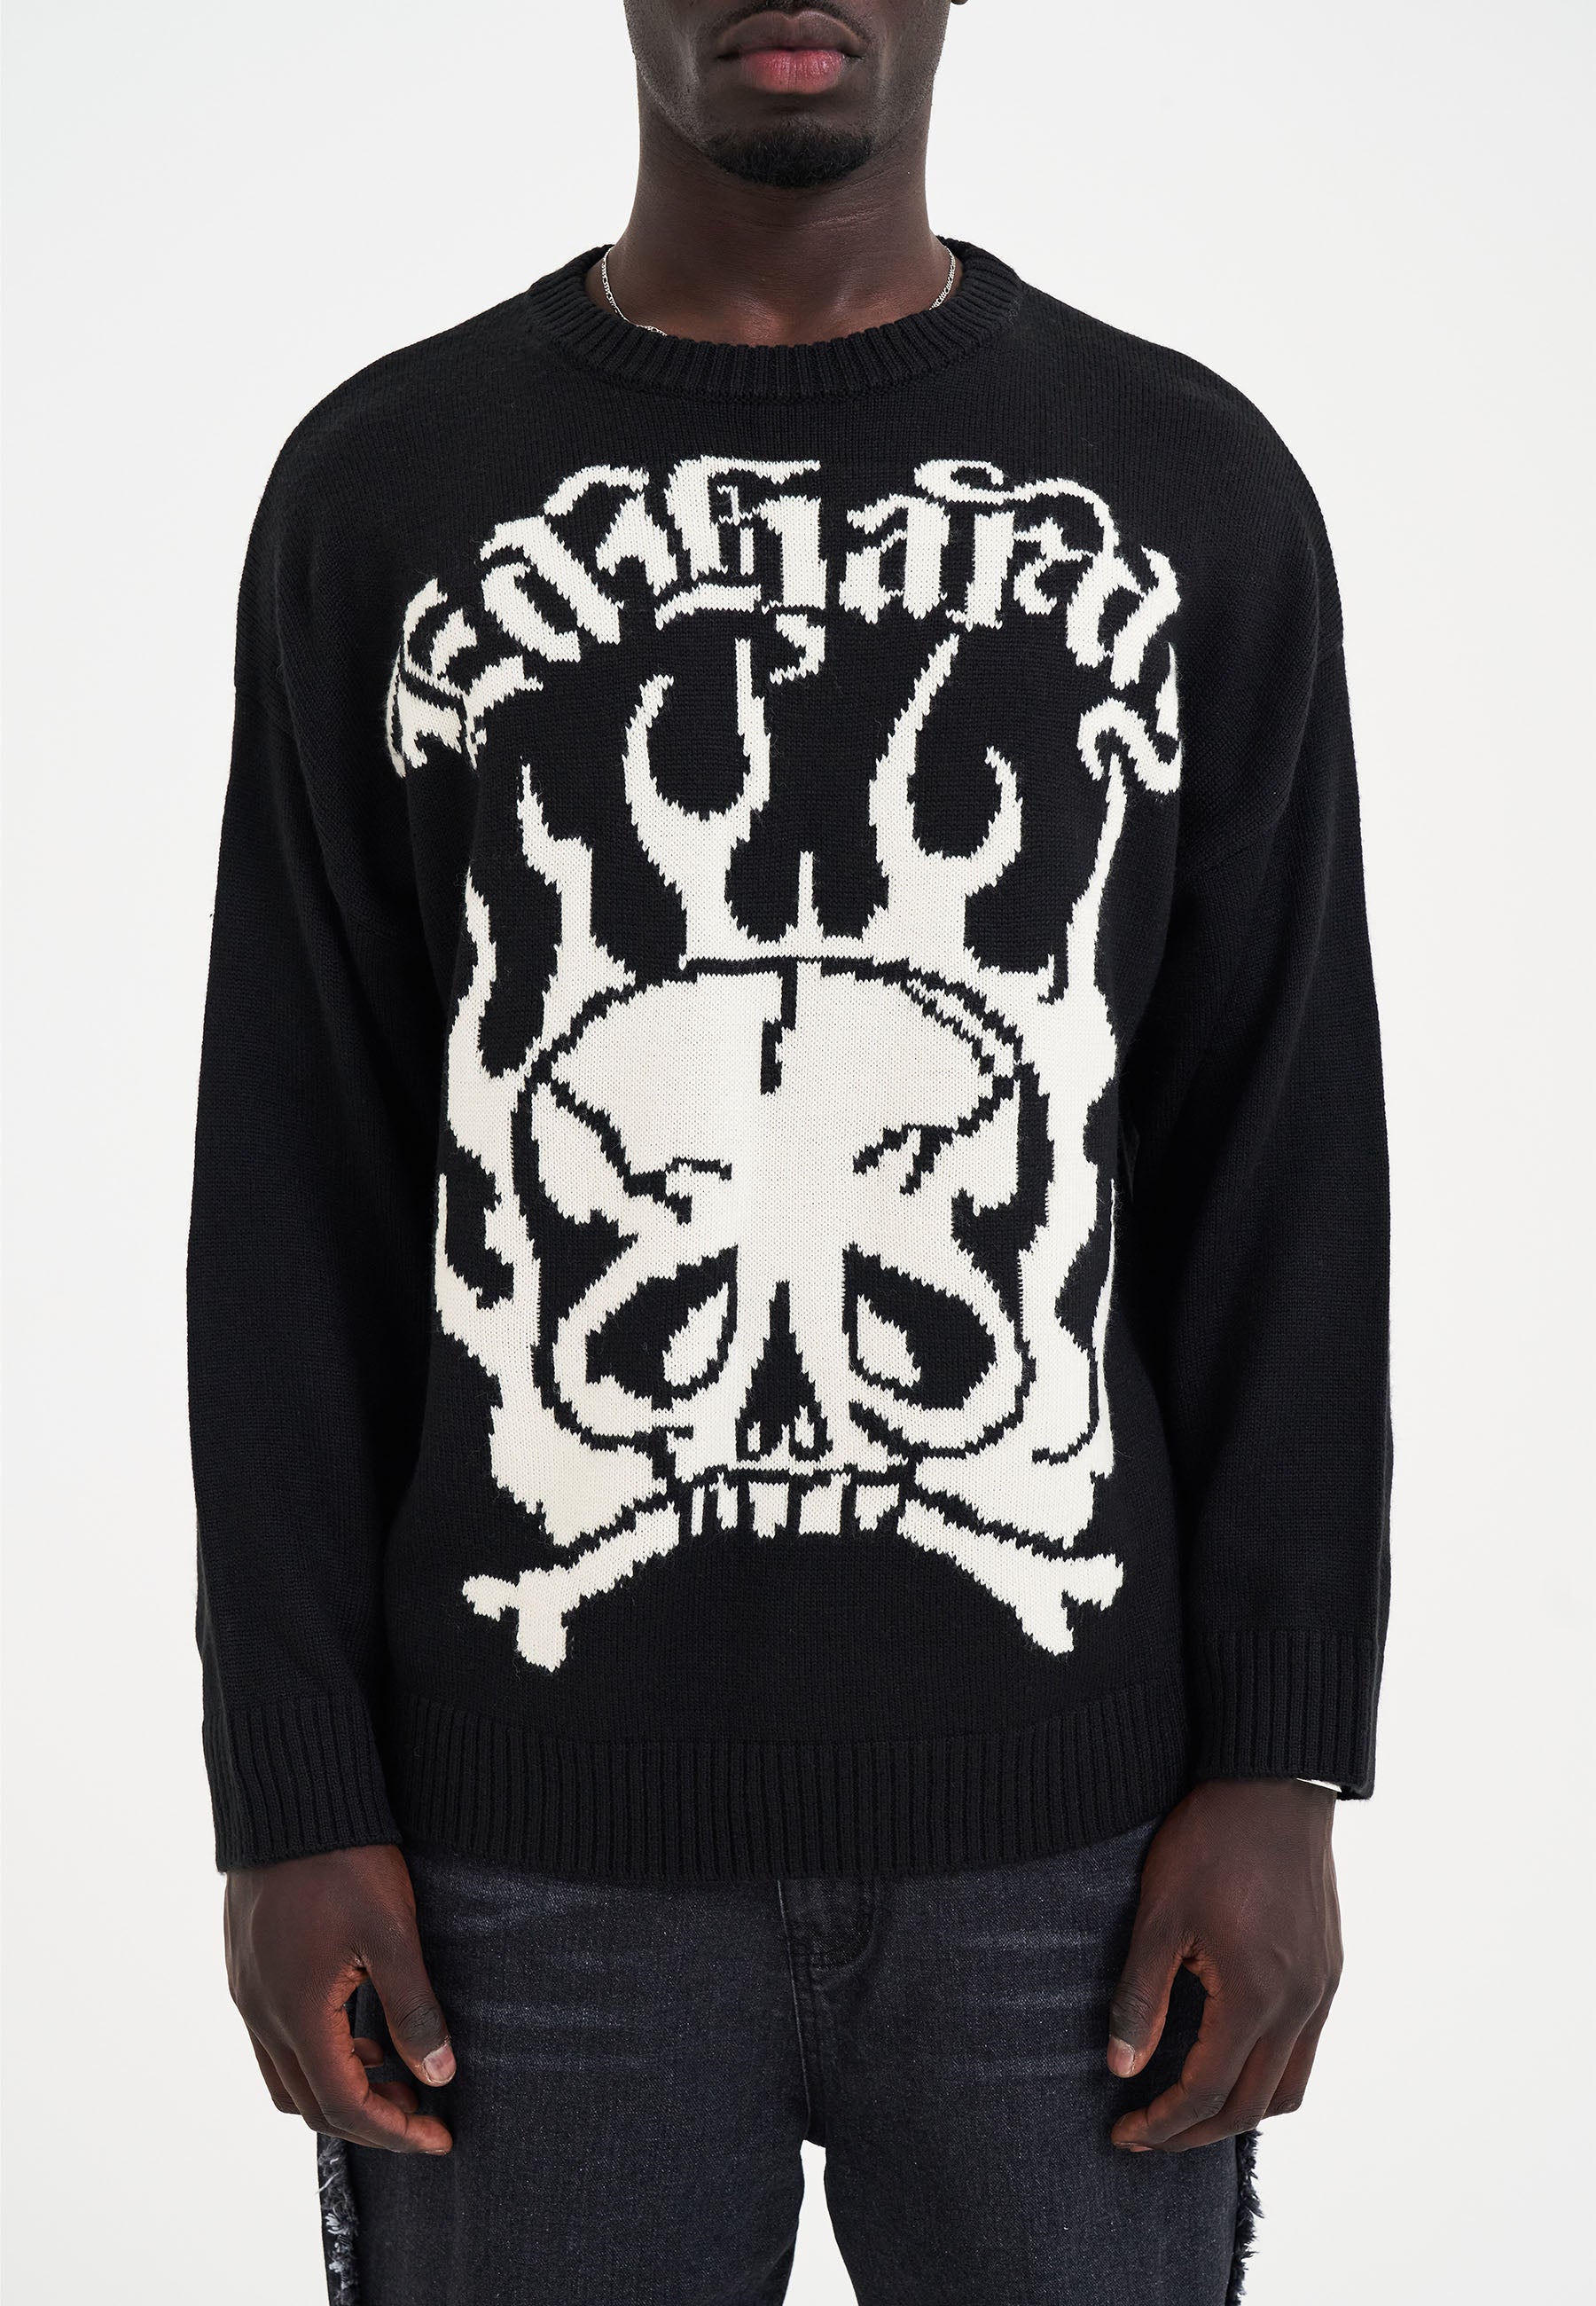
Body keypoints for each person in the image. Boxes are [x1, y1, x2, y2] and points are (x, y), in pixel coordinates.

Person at [191, 3, 1391, 2298]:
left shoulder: (1190, 488)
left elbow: (1284, 1153)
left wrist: (1283, 1760)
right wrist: (293, 1794)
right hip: (510, 1864)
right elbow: (293, 1175)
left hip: (1082, 1841)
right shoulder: (387, 486)